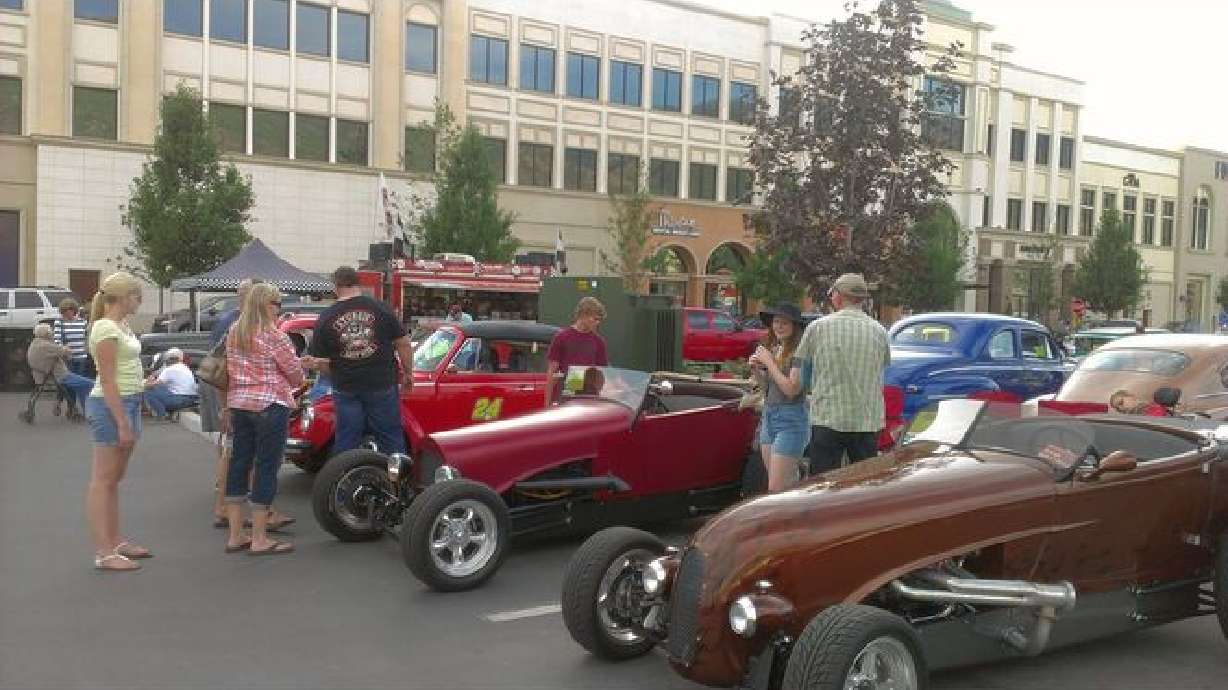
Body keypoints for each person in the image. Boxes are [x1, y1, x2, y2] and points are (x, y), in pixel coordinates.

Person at [222, 283, 304, 556]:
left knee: (239, 463)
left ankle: (235, 535)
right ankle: (259, 538)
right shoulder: (275, 336)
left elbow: (231, 370)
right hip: (270, 404)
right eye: (277, 303)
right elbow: (295, 375)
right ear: (266, 305)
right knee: (266, 467)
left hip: (240, 404)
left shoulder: (235, 332)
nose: (279, 309)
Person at [303, 266, 414, 455]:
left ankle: (345, 478)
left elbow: (324, 363)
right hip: (381, 384)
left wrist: (321, 366)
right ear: (358, 283)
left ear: (336, 287)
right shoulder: (381, 308)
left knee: (347, 438)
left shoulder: (326, 317)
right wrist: (408, 372)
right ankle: (396, 480)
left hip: (346, 387)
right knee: (390, 435)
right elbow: (403, 343)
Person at [84, 272, 151, 571]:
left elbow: (125, 370)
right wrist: (122, 422)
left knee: (114, 480)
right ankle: (104, 552)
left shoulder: (121, 326)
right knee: (103, 480)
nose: (140, 301)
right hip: (112, 406)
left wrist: (144, 385)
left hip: (130, 401)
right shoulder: (104, 328)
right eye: (137, 296)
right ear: (124, 297)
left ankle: (115, 541)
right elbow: (108, 380)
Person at [794, 273, 891, 475]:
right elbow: (883, 366)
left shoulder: (817, 328)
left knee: (823, 484)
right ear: (862, 300)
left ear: (838, 296)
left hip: (828, 417)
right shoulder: (879, 331)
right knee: (864, 483)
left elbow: (801, 370)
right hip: (866, 419)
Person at [747, 304, 810, 492]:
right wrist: (758, 370)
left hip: (790, 420)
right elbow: (768, 388)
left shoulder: (800, 353)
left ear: (795, 327)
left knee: (776, 488)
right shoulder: (776, 350)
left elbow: (792, 389)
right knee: (778, 485)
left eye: (784, 323)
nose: (778, 327)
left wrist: (769, 363)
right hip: (770, 416)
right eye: (776, 322)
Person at [544, 297, 608, 406]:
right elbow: (552, 372)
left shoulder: (599, 342)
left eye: (599, 320)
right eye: (595, 319)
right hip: (566, 395)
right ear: (583, 315)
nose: (597, 323)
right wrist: (547, 404)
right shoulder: (562, 337)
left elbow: (602, 373)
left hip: (589, 398)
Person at [26, 323, 94, 416]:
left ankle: (70, 407)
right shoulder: (46, 345)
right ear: (47, 333)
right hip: (60, 375)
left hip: (42, 375)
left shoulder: (35, 343)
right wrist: (66, 347)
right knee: (90, 384)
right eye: (51, 331)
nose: (52, 333)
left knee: (80, 383)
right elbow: (66, 351)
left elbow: (59, 352)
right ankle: (88, 412)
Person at [143, 348, 199, 419]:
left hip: (179, 400)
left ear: (169, 359)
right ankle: (169, 411)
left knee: (149, 391)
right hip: (191, 399)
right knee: (161, 388)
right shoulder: (184, 367)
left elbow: (155, 384)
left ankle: (162, 414)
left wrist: (144, 384)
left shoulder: (169, 369)